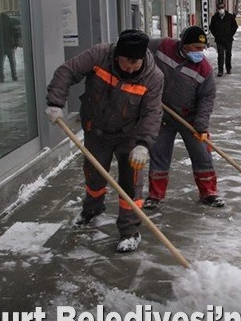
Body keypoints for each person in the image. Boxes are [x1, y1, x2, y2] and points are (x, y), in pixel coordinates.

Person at [45, 30, 164, 253]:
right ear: (117, 54)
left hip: (130, 135)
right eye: (125, 63)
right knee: (94, 174)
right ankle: (92, 208)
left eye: (134, 64)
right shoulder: (99, 55)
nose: (129, 69)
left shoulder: (153, 76)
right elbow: (67, 71)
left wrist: (143, 144)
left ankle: (129, 231)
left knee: (130, 182)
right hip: (96, 129)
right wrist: (55, 101)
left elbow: (153, 113)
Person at [142, 26, 225, 210]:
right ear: (184, 44)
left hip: (190, 119)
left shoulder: (204, 69)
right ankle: (155, 195)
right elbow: (140, 50)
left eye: (202, 49)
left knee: (202, 154)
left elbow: (207, 98)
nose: (200, 53)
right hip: (162, 114)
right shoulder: (162, 46)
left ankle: (209, 193)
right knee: (159, 154)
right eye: (196, 48)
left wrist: (201, 127)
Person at [209, 2, 238, 77]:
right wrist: (216, 35)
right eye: (219, 8)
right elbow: (211, 27)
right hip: (219, 40)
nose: (221, 9)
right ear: (217, 8)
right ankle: (220, 70)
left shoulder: (230, 17)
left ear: (224, 8)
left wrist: (231, 34)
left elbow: (235, 26)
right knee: (220, 55)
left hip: (228, 39)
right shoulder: (214, 18)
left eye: (222, 7)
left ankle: (228, 68)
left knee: (228, 55)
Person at [0, 11, 18, 82]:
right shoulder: (10, 23)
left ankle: (2, 78)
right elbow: (15, 34)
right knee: (12, 62)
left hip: (0, 46)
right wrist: (15, 43)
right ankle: (14, 76)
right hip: (9, 45)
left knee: (0, 62)